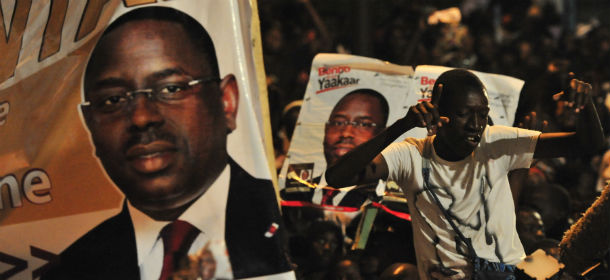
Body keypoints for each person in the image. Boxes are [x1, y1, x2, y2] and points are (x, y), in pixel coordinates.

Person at [42, 7, 291, 280]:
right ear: (90, 124)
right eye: (113, 100)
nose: (141, 117)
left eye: (171, 89)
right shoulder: (70, 271)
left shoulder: (296, 230)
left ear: (227, 102)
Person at [324, 69, 604, 279]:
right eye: (464, 114)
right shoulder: (410, 154)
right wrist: (402, 126)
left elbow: (588, 144)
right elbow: (337, 178)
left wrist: (585, 105)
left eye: (482, 114)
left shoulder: (500, 142)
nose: (476, 125)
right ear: (438, 112)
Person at [282, 89, 389, 208]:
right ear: (325, 129)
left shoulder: (382, 203)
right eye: (338, 123)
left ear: (382, 135)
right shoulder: (289, 194)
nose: (346, 133)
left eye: (363, 124)